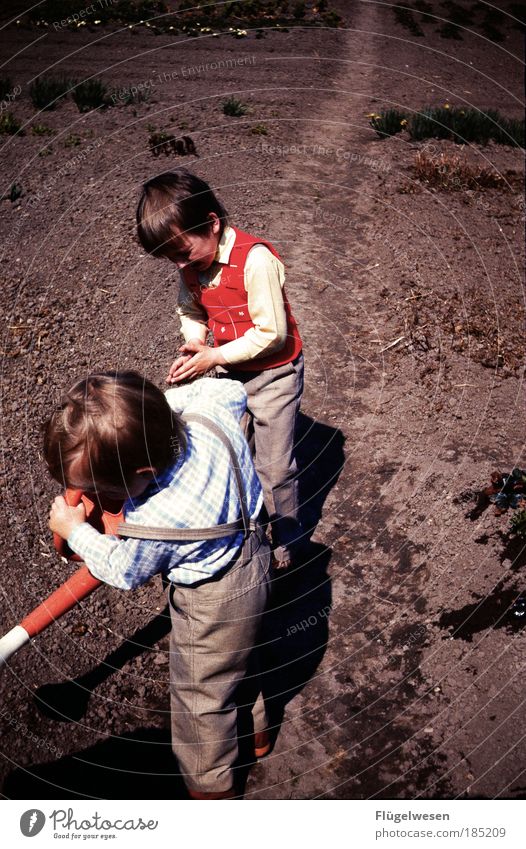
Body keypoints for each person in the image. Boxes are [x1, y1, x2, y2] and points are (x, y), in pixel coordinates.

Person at [45, 370, 272, 799]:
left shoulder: (157, 520)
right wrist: (141, 416)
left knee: (201, 698)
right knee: (246, 658)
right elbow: (228, 387)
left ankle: (212, 791)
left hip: (213, 597)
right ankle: (258, 736)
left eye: (102, 487)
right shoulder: (210, 412)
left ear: (145, 471)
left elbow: (122, 570)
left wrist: (75, 531)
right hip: (256, 554)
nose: (95, 493)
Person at [136, 169, 304, 570]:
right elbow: (190, 308)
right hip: (232, 371)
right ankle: (241, 528)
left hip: (274, 375)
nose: (178, 264)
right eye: (170, 258)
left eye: (182, 251)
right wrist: (197, 339)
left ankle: (288, 543)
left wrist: (213, 357)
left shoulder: (255, 260)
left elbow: (272, 334)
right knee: (234, 451)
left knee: (275, 466)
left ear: (211, 223)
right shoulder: (190, 265)